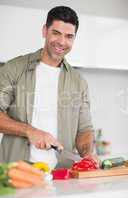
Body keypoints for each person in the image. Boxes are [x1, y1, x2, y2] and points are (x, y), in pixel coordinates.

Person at [0, 6, 96, 168]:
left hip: (63, 177)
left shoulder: (78, 82)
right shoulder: (14, 69)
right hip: (18, 173)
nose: (61, 42)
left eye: (69, 36)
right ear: (45, 31)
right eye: (56, 33)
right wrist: (29, 131)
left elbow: (84, 129)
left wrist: (88, 154)